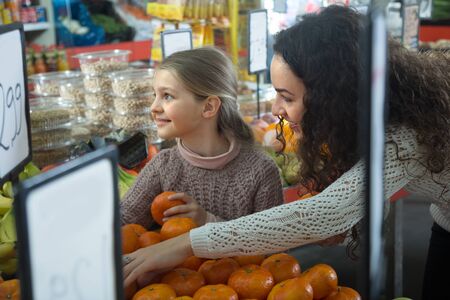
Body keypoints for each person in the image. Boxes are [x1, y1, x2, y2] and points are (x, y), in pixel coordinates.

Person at [123, 6, 450, 298]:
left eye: (287, 97)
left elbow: (321, 214)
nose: (277, 109)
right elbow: (363, 198)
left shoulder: (406, 137)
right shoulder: (386, 109)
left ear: (332, 96)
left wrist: (186, 243)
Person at [120, 47, 283, 229]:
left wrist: (206, 221)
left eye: (167, 96)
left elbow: (273, 247)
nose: (154, 107)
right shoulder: (163, 167)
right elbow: (120, 225)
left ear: (208, 107)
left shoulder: (261, 171)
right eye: (154, 95)